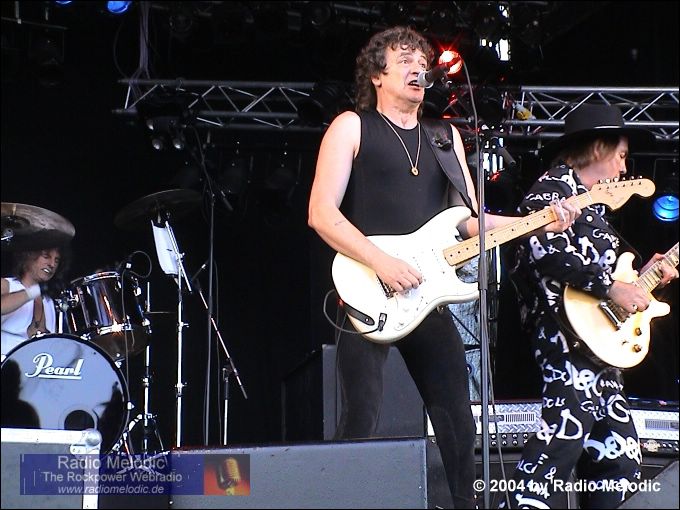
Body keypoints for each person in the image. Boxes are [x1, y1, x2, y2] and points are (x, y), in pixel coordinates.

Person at [307, 26, 579, 508]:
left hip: (425, 295)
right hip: (367, 287)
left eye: (422, 62)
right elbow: (321, 214)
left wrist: (538, 222)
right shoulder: (352, 126)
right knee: (362, 416)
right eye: (405, 60)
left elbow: (469, 222)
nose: (418, 69)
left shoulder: (443, 136)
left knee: (457, 419)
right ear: (376, 75)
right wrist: (383, 263)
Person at [503, 103, 679, 509]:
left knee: (620, 458)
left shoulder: (595, 209)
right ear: (598, 148)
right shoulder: (552, 190)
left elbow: (601, 279)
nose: (623, 168)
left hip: (599, 348)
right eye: (620, 155)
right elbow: (545, 250)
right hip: (565, 338)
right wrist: (612, 288)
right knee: (559, 443)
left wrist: (644, 278)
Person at [1, 244, 69, 359]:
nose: (52, 264)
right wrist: (36, 290)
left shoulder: (49, 302)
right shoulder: (7, 285)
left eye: (56, 260)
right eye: (46, 256)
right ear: (28, 255)